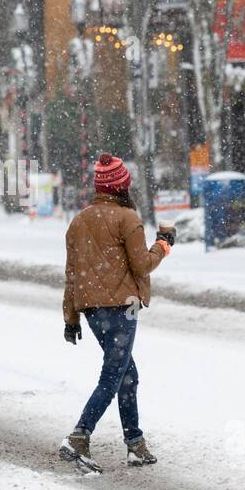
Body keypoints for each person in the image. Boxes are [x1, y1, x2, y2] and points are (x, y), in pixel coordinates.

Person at [59, 152, 174, 473]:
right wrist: (163, 245)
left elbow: (71, 273)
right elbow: (142, 264)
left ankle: (135, 443)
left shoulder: (79, 220)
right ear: (122, 186)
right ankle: (79, 436)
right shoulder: (127, 218)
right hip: (123, 307)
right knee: (113, 374)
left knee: (127, 374)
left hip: (92, 310)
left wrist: (70, 318)